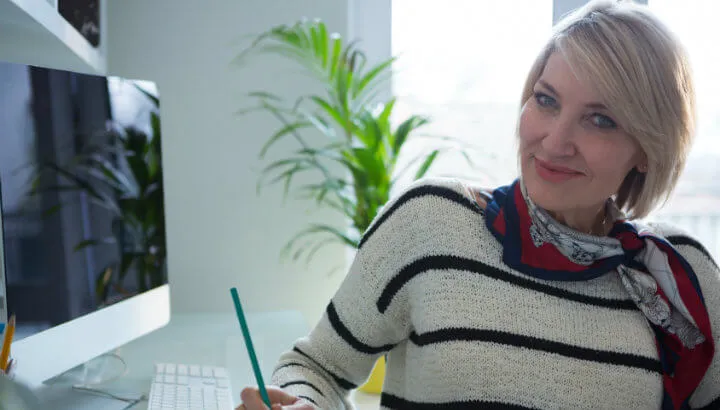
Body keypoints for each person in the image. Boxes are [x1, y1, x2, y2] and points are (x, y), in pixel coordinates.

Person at [239, 0, 720, 408]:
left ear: (648, 148)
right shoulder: (429, 221)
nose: (555, 142)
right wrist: (299, 402)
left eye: (600, 120)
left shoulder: (680, 276)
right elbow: (316, 366)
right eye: (546, 100)